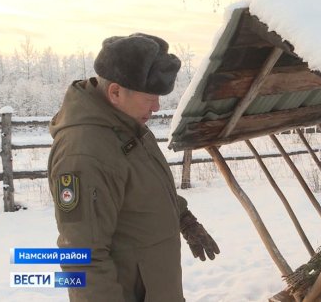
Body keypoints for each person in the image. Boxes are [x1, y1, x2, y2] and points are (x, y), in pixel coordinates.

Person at [48, 33, 220, 302]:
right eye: (150, 97)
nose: (157, 106)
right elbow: (81, 257)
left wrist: (184, 219)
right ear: (115, 92)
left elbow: (145, 186)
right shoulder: (84, 152)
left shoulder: (127, 126)